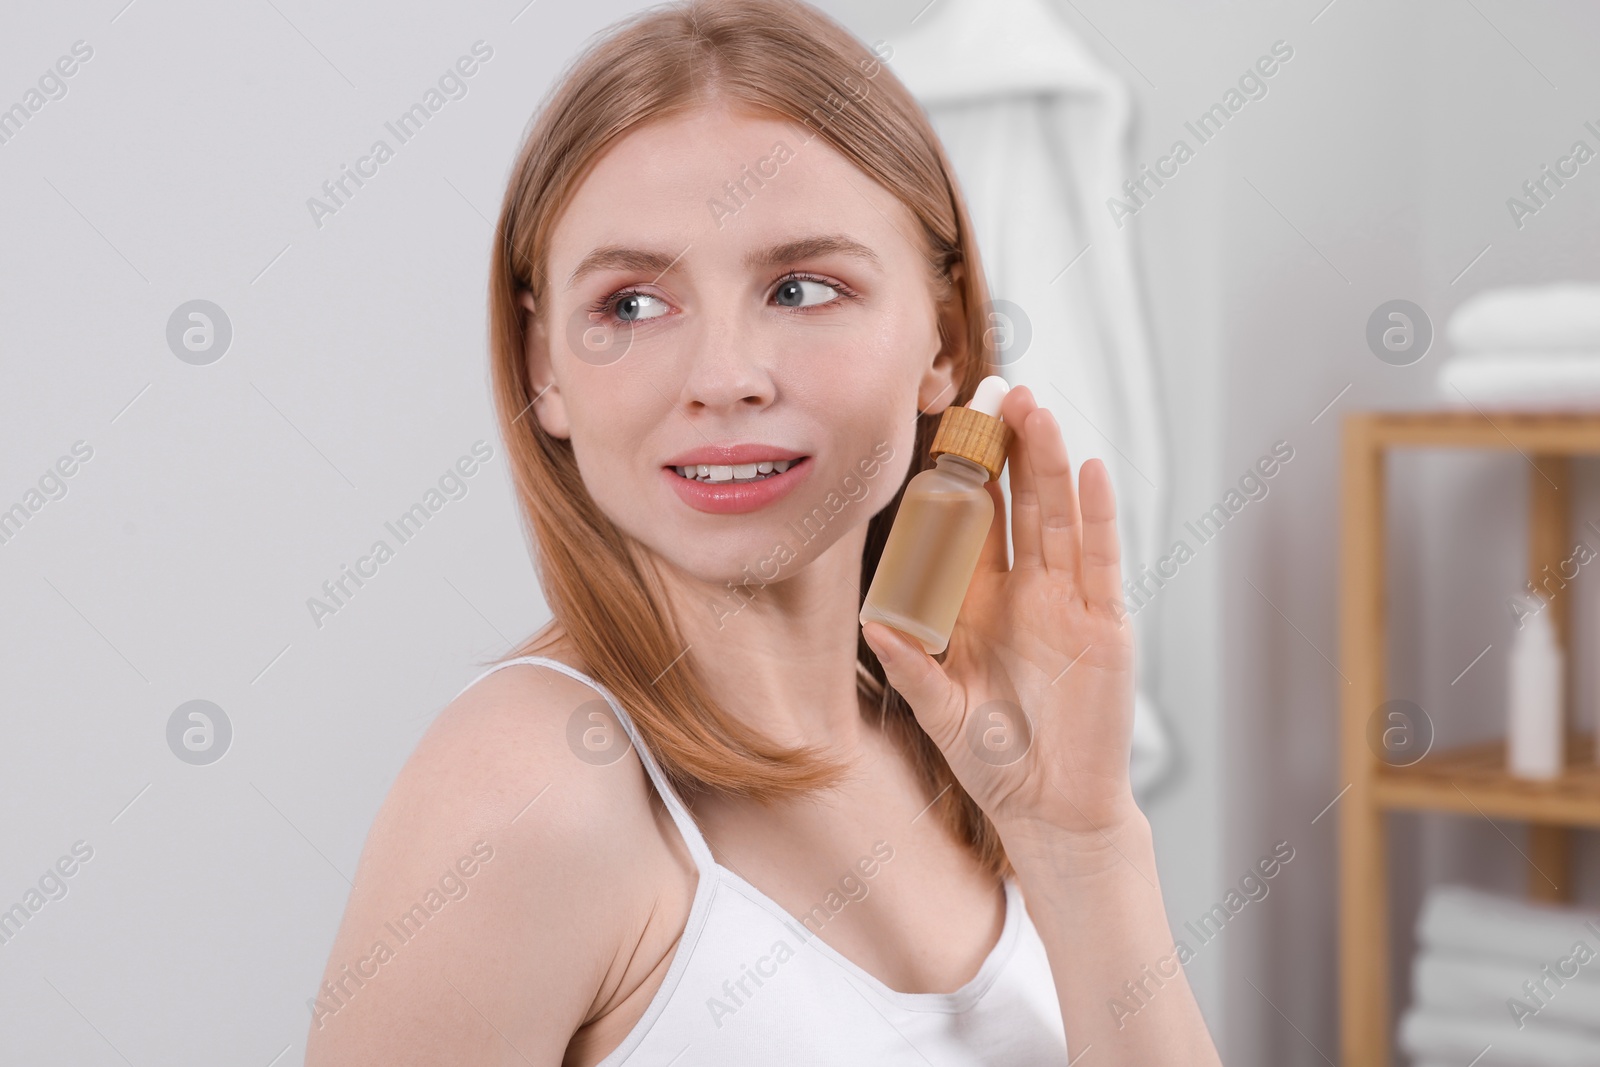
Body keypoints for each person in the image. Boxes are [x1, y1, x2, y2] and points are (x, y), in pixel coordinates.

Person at [306, 1, 1222, 1063]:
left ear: (944, 338)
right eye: (633, 304)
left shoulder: (958, 750)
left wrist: (1082, 839)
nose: (726, 378)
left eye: (802, 287)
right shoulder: (532, 791)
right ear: (544, 363)